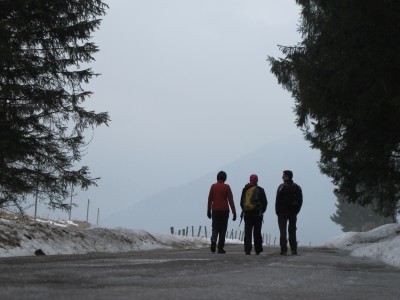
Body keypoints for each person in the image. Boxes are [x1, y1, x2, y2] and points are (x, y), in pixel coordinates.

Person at [207, 171, 237, 254]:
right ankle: (220, 248)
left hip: (215, 210)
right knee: (223, 229)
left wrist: (208, 210)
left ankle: (213, 240)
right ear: (225, 178)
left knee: (215, 227)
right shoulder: (227, 187)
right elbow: (231, 200)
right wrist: (234, 212)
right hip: (224, 210)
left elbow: (210, 199)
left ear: (217, 178)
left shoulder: (213, 186)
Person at [275, 170, 303, 255]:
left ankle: (283, 250)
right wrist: (296, 211)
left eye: (284, 176)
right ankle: (293, 249)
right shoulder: (297, 187)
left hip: (282, 213)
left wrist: (277, 212)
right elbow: (300, 201)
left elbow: (277, 201)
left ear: (288, 177)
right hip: (293, 213)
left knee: (283, 231)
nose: (282, 177)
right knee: (292, 231)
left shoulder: (281, 187)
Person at [240, 174, 268, 255]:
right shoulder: (260, 190)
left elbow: (241, 202)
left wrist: (245, 210)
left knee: (248, 232)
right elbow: (265, 202)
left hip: (247, 214)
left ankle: (247, 249)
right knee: (257, 232)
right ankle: (258, 249)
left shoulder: (245, 189)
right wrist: (262, 211)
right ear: (257, 180)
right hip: (257, 214)